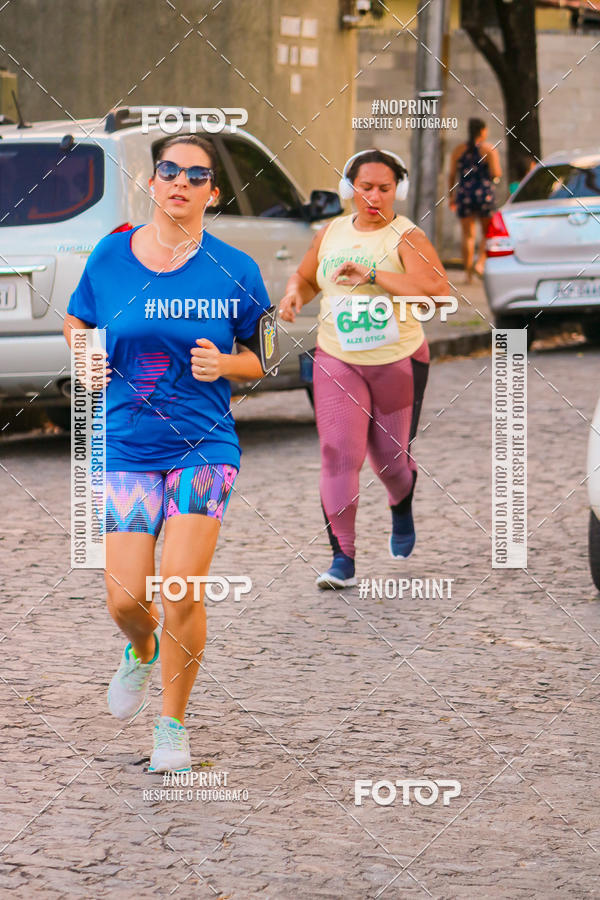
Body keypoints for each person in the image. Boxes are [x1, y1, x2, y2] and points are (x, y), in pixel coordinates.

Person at [63, 134, 273, 772]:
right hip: (126, 442)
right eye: (169, 170)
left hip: (203, 446)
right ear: (153, 182)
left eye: (196, 175)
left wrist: (225, 363)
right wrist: (85, 358)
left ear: (212, 192)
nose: (180, 182)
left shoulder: (236, 268)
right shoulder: (109, 257)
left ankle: (172, 728)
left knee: (181, 587)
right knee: (126, 600)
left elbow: (257, 361)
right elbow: (78, 322)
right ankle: (143, 650)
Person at [279, 148, 450, 589]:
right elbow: (306, 276)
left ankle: (400, 501)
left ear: (399, 190)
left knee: (390, 462)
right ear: (349, 189)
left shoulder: (406, 236)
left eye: (384, 188)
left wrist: (375, 274)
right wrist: (295, 294)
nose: (374, 196)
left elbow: (436, 291)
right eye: (365, 186)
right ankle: (343, 559)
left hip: (397, 362)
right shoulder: (331, 232)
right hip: (336, 358)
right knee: (338, 454)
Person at [448, 118, 502, 282]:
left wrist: (451, 196)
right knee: (488, 233)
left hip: (464, 194)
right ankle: (480, 263)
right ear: (483, 131)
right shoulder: (488, 150)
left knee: (468, 235)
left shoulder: (458, 150)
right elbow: (496, 173)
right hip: (483, 194)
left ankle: (468, 274)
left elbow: (452, 175)